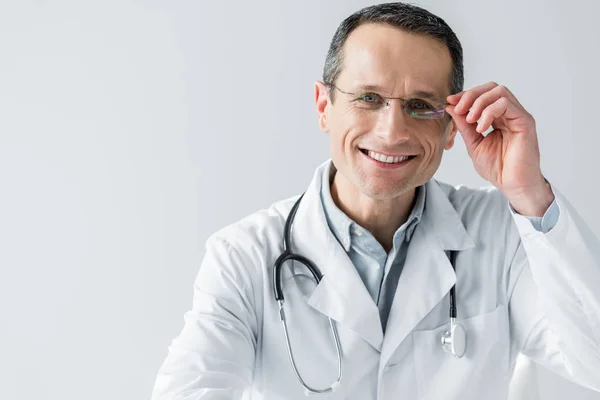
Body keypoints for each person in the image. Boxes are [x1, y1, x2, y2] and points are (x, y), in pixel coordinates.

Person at [150, 3, 600, 399]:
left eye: (422, 105)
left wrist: (529, 194)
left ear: (450, 129)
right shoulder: (245, 256)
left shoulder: (503, 231)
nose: (392, 132)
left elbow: (593, 362)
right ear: (324, 106)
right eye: (369, 98)